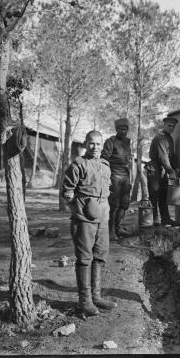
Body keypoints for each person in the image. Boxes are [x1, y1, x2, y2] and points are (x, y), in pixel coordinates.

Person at [61, 130, 117, 316]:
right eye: (91, 143)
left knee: (100, 255)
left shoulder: (105, 165)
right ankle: (85, 301)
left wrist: (103, 210)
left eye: (98, 144)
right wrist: (79, 210)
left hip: (103, 215)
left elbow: (107, 189)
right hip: (84, 217)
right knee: (85, 258)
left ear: (102, 145)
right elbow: (67, 191)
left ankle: (97, 296)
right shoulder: (78, 165)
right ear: (86, 144)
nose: (95, 147)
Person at [147, 116, 180, 226]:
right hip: (154, 169)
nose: (171, 128)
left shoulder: (169, 138)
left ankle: (165, 219)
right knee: (154, 195)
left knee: (163, 195)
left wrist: (177, 168)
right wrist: (171, 171)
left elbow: (172, 156)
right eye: (169, 126)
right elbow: (163, 157)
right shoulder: (159, 138)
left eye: (173, 127)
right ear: (164, 125)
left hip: (163, 170)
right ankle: (153, 220)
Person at [102, 118, 133, 240]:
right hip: (114, 175)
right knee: (113, 204)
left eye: (125, 129)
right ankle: (110, 231)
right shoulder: (110, 141)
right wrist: (106, 176)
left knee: (124, 203)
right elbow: (104, 158)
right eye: (120, 129)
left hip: (125, 176)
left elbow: (129, 159)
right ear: (116, 130)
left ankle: (119, 228)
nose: (123, 131)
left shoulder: (128, 142)